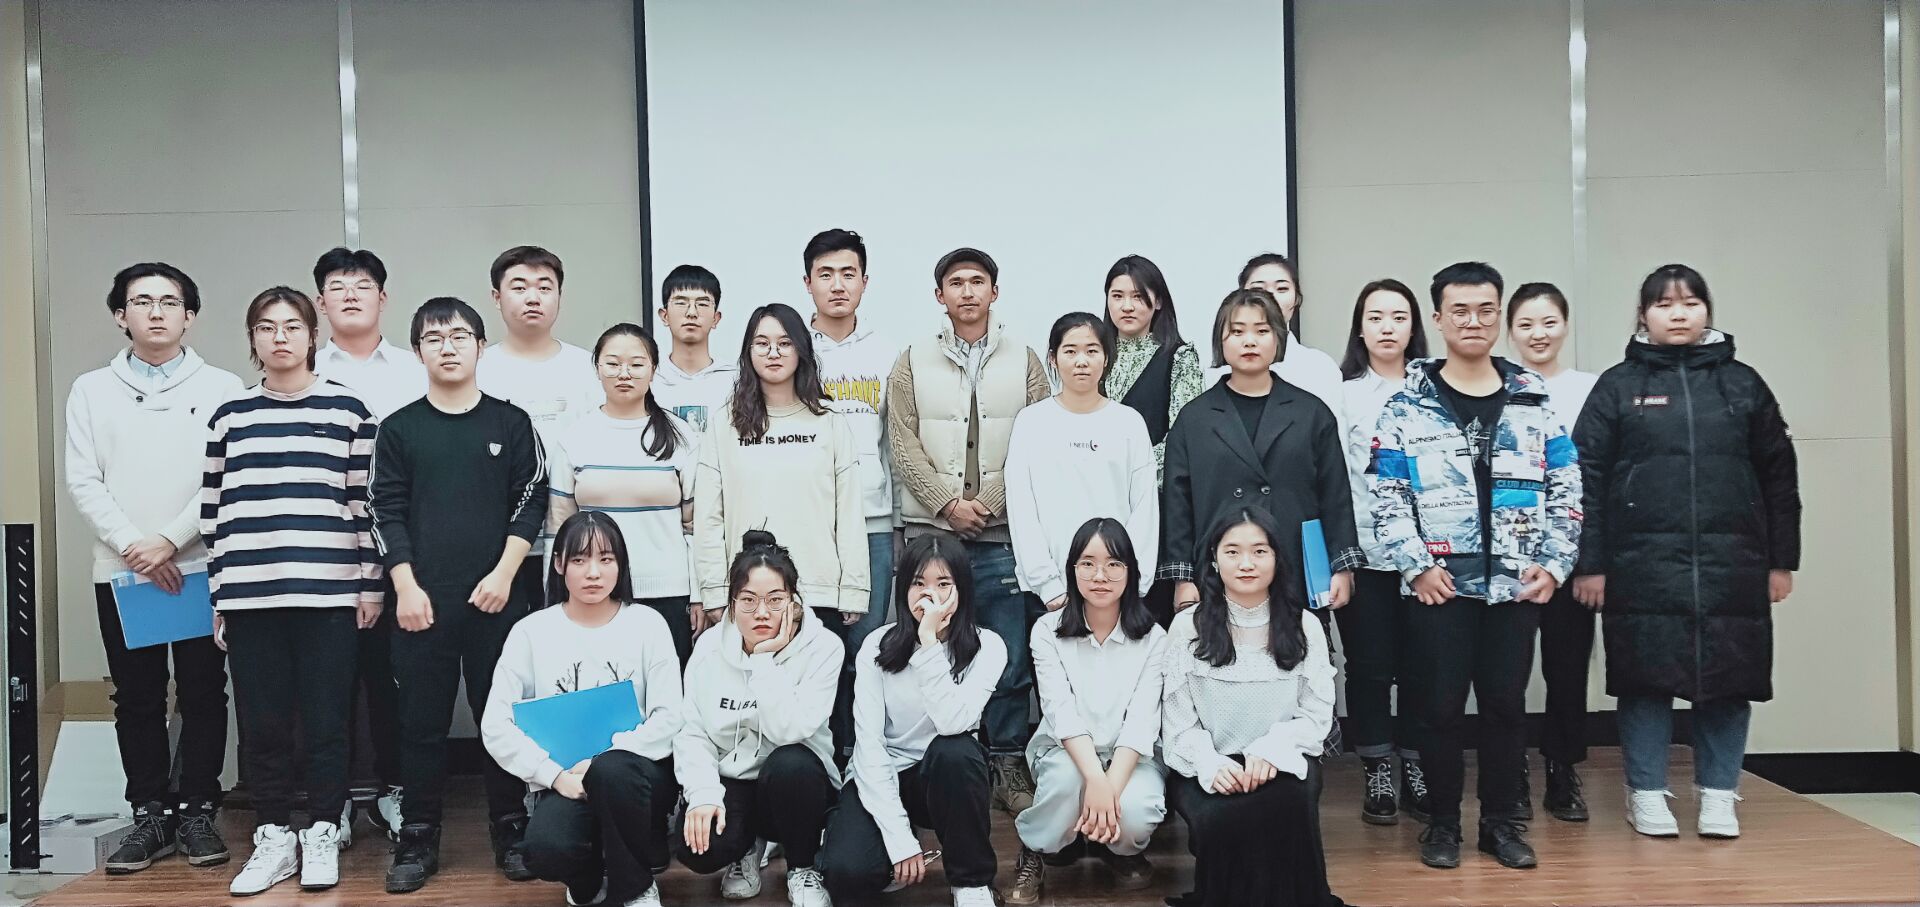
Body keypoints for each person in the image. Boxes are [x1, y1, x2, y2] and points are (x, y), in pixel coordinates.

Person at [1570, 264, 1798, 840]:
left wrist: (1781, 561)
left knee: (1729, 680)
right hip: (1640, 566)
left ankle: (1719, 794)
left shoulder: (1743, 385)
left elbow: (1779, 476)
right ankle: (1646, 793)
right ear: (1643, 315)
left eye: (1691, 303)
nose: (1678, 314)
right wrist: (1590, 564)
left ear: (1707, 311)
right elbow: (1583, 479)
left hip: (1733, 565)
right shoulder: (1618, 386)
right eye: (1665, 304)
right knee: (1644, 681)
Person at [1369, 261, 1581, 871]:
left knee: (1506, 708)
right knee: (1437, 709)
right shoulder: (1406, 406)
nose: (1473, 321)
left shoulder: (1532, 401)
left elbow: (1567, 487)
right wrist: (1415, 566)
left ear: (1499, 317)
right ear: (1438, 319)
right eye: (1459, 311)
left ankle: (1500, 824)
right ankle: (1442, 824)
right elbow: (1388, 495)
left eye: (1486, 310)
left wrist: (1555, 564)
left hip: (1515, 585)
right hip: (1439, 586)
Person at [202, 287, 382, 896]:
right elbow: (213, 515)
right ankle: (274, 835)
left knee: (329, 722)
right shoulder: (230, 416)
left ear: (312, 335)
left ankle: (324, 830)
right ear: (252, 339)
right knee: (264, 725)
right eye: (266, 327)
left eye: (292, 326)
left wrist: (371, 586)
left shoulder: (349, 410)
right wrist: (220, 594)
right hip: (251, 596)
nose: (279, 337)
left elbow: (364, 507)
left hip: (330, 594)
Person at [66, 262, 243, 874]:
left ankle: (197, 810)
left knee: (203, 692)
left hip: (200, 566)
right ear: (121, 316)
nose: (157, 311)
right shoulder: (92, 389)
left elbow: (224, 477)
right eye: (142, 301)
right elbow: (83, 479)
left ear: (189, 316)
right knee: (137, 697)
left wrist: (170, 540)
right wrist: (134, 546)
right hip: (122, 572)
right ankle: (149, 813)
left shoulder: (222, 387)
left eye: (170, 301)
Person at [370, 297, 550, 893]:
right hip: (420, 603)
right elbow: (384, 510)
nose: (447, 348)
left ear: (480, 345)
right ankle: (418, 836)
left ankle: (511, 828)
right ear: (418, 351)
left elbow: (532, 499)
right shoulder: (399, 429)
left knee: (503, 717)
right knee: (420, 725)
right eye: (434, 338)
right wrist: (405, 586)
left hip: (499, 599)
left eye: (459, 336)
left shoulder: (511, 423)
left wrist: (503, 575)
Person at [887, 247, 1051, 814]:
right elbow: (901, 440)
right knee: (930, 643)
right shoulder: (911, 360)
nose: (967, 291)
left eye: (977, 281)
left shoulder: (1025, 359)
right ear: (940, 295)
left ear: (994, 292)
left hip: (1001, 533)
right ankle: (940, 758)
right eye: (955, 283)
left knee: (1008, 651)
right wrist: (945, 504)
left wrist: (987, 502)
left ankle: (1006, 757)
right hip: (933, 535)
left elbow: (1035, 435)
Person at [483, 512, 682, 907]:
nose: (593, 572)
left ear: (621, 565)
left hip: (637, 776)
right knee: (544, 849)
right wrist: (553, 776)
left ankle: (636, 887)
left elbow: (670, 716)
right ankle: (588, 878)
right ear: (558, 564)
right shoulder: (531, 632)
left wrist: (601, 762)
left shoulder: (648, 624)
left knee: (614, 773)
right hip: (567, 779)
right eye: (579, 560)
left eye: (606, 559)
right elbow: (495, 724)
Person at [1161, 508, 1343, 907]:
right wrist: (1211, 763)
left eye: (1260, 551)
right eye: (1233, 551)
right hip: (1209, 764)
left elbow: (1315, 717)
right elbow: (1177, 728)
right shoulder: (1187, 627)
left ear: (1277, 557)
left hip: (1284, 759)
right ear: (1213, 559)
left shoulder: (1305, 625)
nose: (1246, 563)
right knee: (1222, 818)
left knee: (1288, 806)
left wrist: (1271, 751)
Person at [817, 534, 1007, 907]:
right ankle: (879, 851)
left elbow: (952, 723)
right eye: (919, 583)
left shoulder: (988, 647)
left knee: (956, 751)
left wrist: (929, 642)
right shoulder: (877, 645)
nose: (929, 596)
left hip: (945, 778)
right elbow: (869, 747)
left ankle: (971, 882)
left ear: (962, 590)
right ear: (903, 588)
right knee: (847, 874)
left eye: (943, 584)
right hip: (884, 773)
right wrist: (899, 838)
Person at [312, 246, 422, 840]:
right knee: (329, 680)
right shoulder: (301, 369)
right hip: (324, 549)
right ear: (320, 302)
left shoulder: (413, 369)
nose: (350, 294)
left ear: (383, 298)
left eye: (362, 285)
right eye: (337, 286)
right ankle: (332, 802)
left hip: (400, 545)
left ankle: (396, 789)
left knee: (392, 676)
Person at [1162, 288, 1360, 617]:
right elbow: (1178, 504)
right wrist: (1183, 578)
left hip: (1295, 565)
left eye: (1262, 330)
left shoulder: (1311, 412)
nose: (1250, 341)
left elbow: (1335, 494)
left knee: (1298, 646)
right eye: (1237, 332)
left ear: (1278, 338)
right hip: (1218, 571)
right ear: (1220, 341)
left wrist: (1342, 565)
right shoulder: (1194, 418)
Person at [1003, 519, 1169, 906]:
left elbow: (1142, 721)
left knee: (1136, 812)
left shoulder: (1155, 638)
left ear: (1131, 571)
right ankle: (1037, 847)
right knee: (1065, 783)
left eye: (1113, 564)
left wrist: (1108, 787)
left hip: (1132, 756)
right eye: (1087, 563)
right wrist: (1095, 779)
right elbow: (1060, 711)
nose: (1100, 575)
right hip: (1065, 750)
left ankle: (1118, 848)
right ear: (1072, 569)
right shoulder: (1047, 630)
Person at [675, 530, 843, 907]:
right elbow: (693, 732)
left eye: (775, 600)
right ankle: (746, 848)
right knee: (698, 850)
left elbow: (790, 731)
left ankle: (802, 865)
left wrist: (764, 660)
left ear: (794, 601)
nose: (762, 612)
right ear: (732, 604)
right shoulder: (709, 648)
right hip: (734, 779)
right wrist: (702, 794)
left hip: (796, 781)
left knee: (791, 764)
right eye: (749, 600)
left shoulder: (823, 648)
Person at [694, 303, 869, 640]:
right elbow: (709, 518)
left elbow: (848, 512)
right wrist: (714, 590)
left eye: (785, 343)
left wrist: (854, 588)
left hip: (818, 593)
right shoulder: (724, 424)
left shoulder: (829, 422)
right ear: (748, 353)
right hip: (748, 597)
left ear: (801, 350)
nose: (773, 352)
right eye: (762, 343)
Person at [1334, 279, 1432, 826]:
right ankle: (1376, 770)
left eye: (1398, 317)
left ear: (1414, 326)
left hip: (1428, 559)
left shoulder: (1436, 389)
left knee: (1423, 667)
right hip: (1366, 556)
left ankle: (1417, 766)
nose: (1387, 327)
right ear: (1360, 328)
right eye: (1375, 317)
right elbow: (1333, 483)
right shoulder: (1344, 394)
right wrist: (1341, 559)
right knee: (1369, 669)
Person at [1505, 281, 1601, 823]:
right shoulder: (1498, 385)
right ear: (1510, 331)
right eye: (1525, 324)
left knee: (1567, 669)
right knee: (1508, 674)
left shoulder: (1591, 389)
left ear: (1565, 325)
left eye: (1549, 322)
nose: (1538, 334)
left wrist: (1589, 562)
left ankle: (1563, 771)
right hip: (1511, 556)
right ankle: (1511, 770)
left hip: (1570, 556)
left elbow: (1600, 478)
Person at [801, 228, 899, 759]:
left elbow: (894, 445)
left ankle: (863, 761)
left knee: (865, 653)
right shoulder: (791, 351)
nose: (837, 285)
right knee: (810, 650)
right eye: (825, 275)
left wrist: (900, 525)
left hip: (872, 526)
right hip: (808, 527)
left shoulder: (888, 355)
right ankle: (819, 762)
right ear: (808, 283)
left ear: (864, 281)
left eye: (848, 274)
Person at [547, 323, 699, 664]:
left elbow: (696, 527)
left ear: (653, 370)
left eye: (637, 364)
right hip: (594, 593)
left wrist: (700, 595)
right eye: (613, 364)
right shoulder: (575, 438)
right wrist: (556, 598)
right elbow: (559, 529)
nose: (624, 374)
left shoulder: (682, 437)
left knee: (666, 689)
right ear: (597, 368)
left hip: (668, 593)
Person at [476, 245, 603, 610]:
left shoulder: (589, 368)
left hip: (576, 543)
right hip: (497, 544)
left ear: (560, 296)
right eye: (519, 287)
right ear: (496, 297)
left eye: (544, 287)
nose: (533, 297)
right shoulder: (478, 368)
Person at [1006, 313, 1158, 609]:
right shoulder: (1031, 422)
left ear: (1106, 357)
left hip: (1117, 593)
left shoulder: (1128, 422)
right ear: (1053, 358)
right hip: (1050, 595)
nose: (1081, 361)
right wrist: (1048, 586)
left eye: (1092, 351)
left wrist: (1130, 584)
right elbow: (1021, 507)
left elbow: (1144, 510)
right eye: (1070, 351)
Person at [1102, 255, 1204, 625]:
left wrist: (1128, 475)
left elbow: (1183, 439)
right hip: (1095, 503)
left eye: (1138, 296)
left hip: (1156, 509)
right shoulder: (1093, 355)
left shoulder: (1178, 356)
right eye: (1117, 296)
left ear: (1158, 301)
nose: (1127, 306)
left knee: (1149, 620)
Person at [1234, 253, 1344, 417]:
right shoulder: (1220, 372)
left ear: (1296, 299)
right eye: (1258, 289)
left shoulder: (1320, 368)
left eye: (1282, 289)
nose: (1270, 296)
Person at [652, 264, 737, 436]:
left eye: (702, 304)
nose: (691, 312)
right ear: (664, 315)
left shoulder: (736, 380)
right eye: (681, 303)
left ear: (716, 318)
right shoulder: (650, 378)